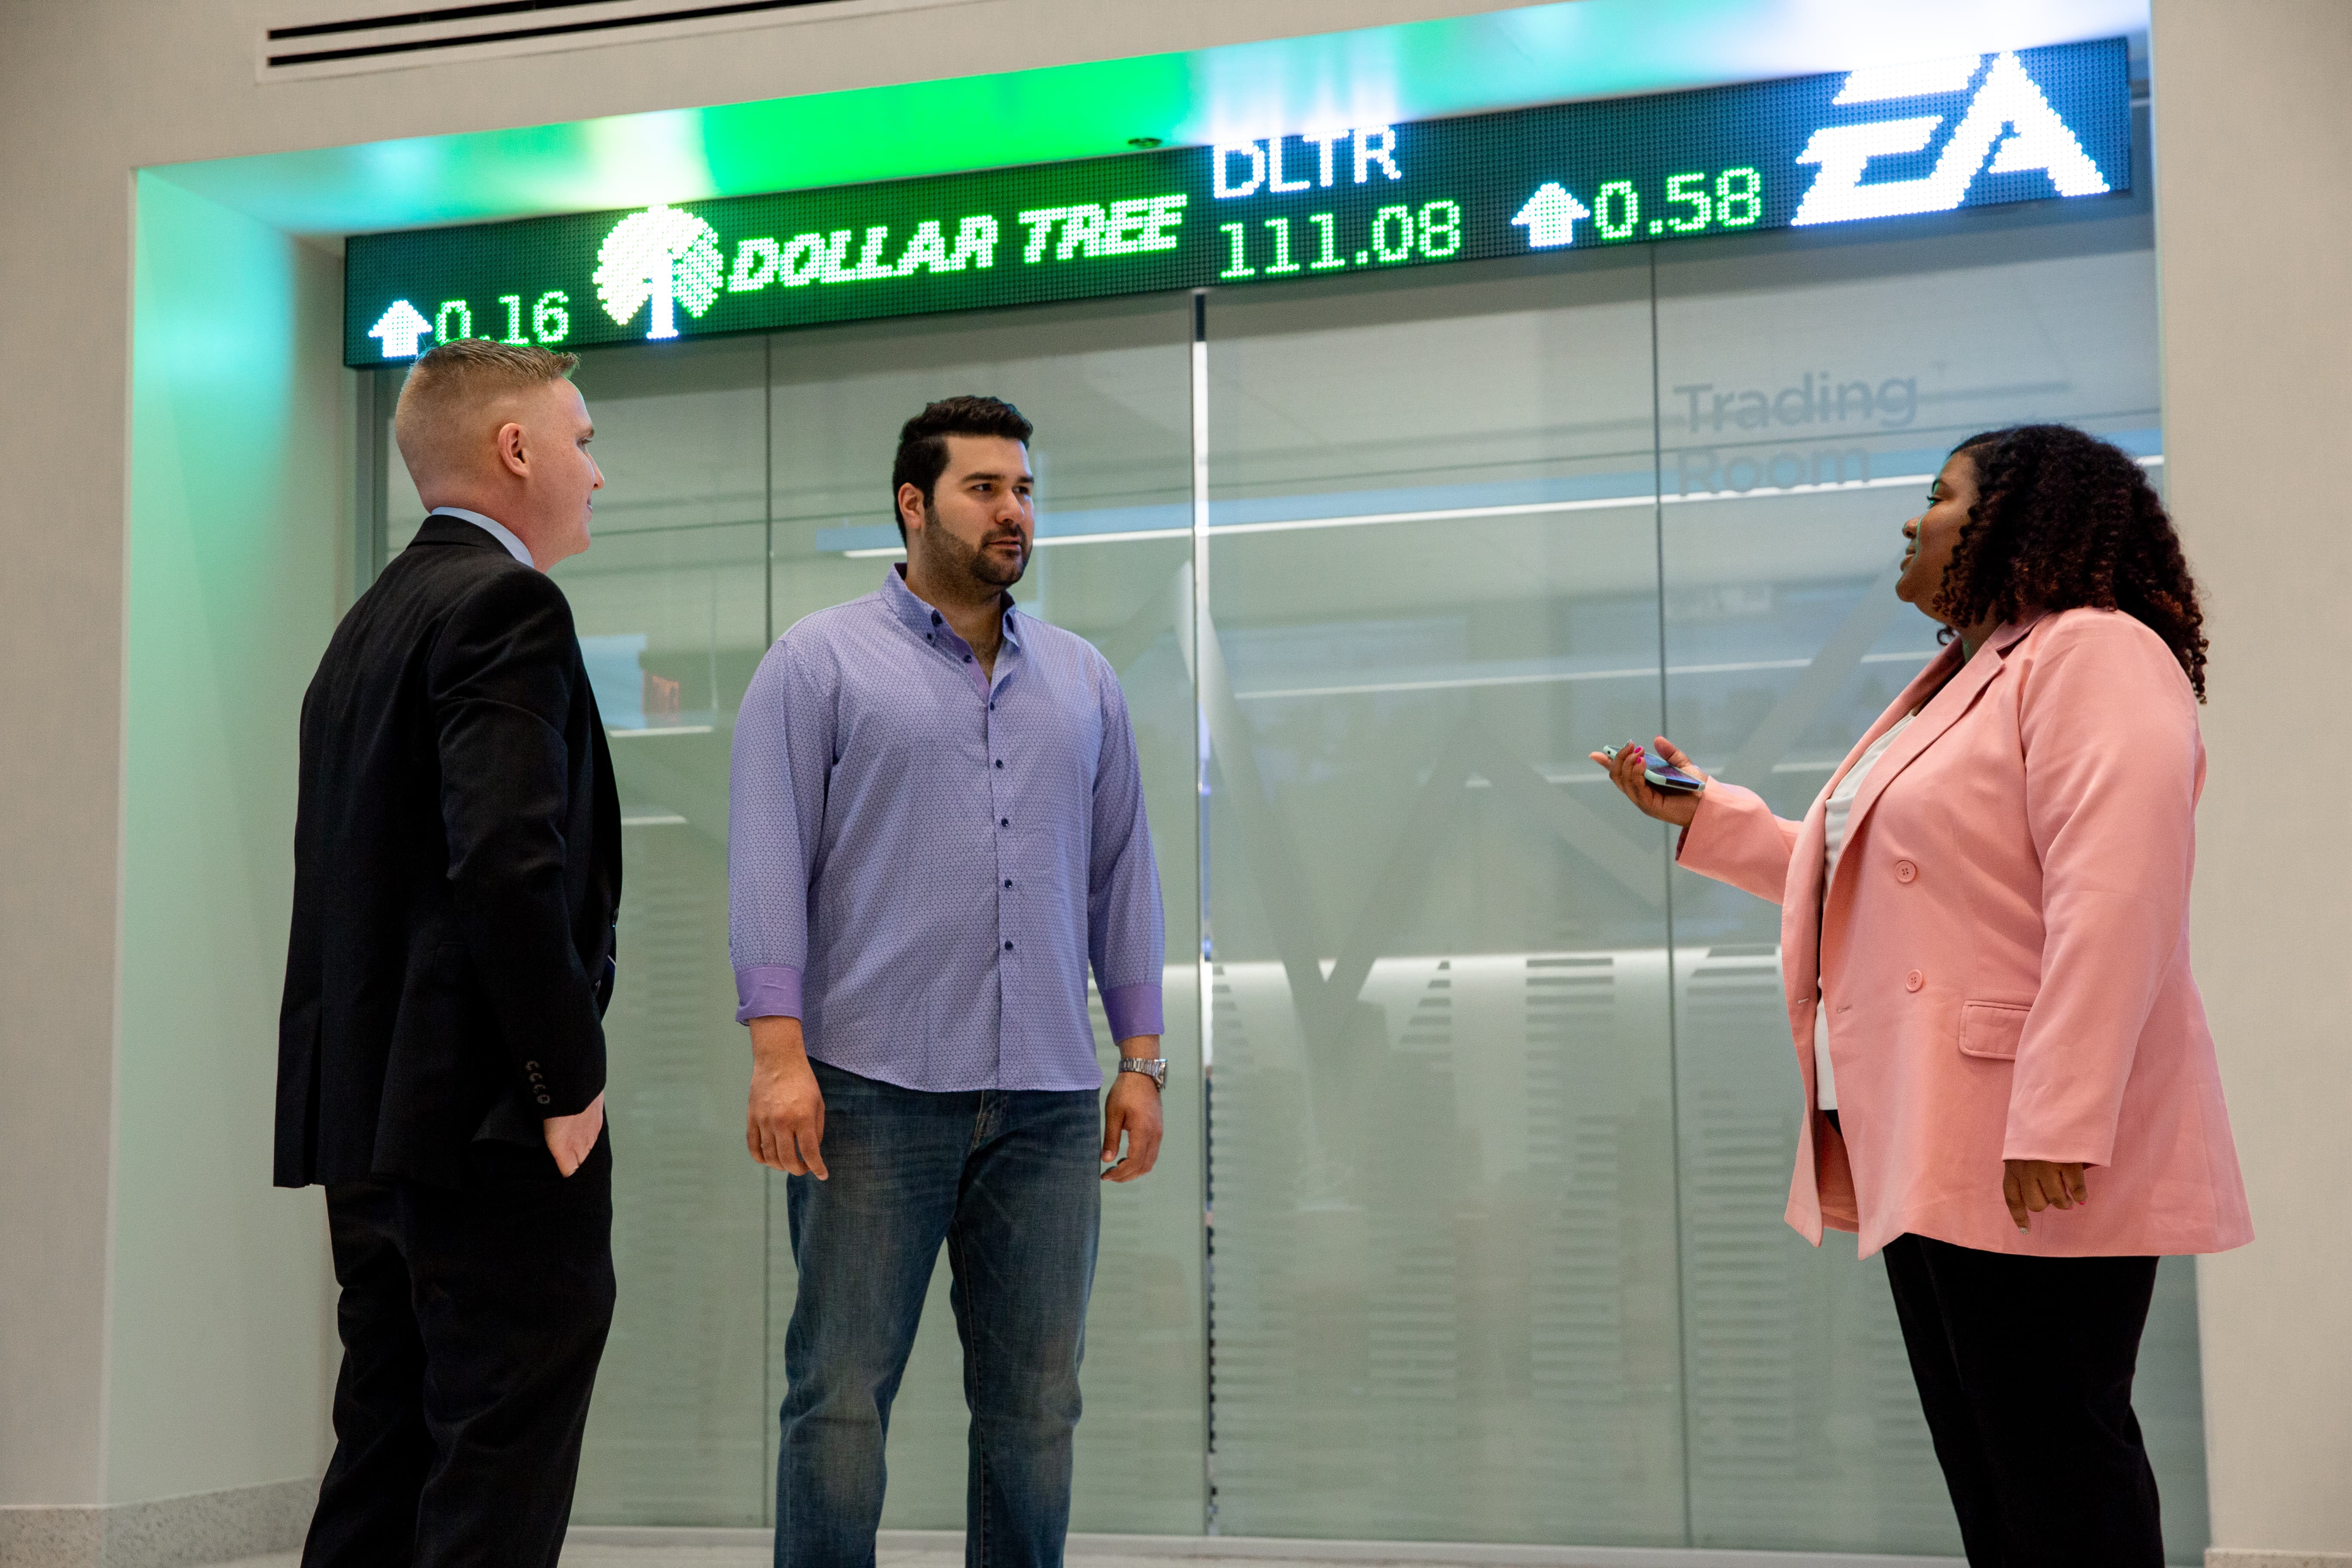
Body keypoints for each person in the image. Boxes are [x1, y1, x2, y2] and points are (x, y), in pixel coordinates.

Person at [1592, 424, 2251, 1567]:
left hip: (2030, 1144)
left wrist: (2061, 1111)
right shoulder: (1963, 678)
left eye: (1941, 496)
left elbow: (2119, 896)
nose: (1914, 519)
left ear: (2019, 521)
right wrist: (1712, 816)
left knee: (2059, 1469)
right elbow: (1889, 880)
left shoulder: (2094, 650)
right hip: (1939, 1135)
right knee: (1999, 1475)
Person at [729, 395, 1167, 1568]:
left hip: (1048, 1100)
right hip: (870, 1088)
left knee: (1035, 1411)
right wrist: (778, 1059)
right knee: (840, 1402)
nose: (1013, 511)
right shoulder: (815, 664)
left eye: (1024, 489)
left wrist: (1141, 1061)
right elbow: (770, 864)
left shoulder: (1082, 682)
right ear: (914, 504)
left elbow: (1122, 873)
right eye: (985, 488)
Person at [275, 339, 622, 1568]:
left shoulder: (364, 630)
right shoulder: (505, 606)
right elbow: (507, 864)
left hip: (369, 1125)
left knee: (387, 1444)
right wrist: (562, 1083)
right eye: (582, 440)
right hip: (484, 1125)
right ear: (514, 450)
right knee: (498, 1446)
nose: (598, 472)